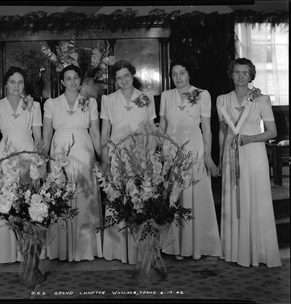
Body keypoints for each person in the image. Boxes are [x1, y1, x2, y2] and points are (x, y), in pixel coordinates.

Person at [217, 58, 281, 268]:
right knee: (234, 200)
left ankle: (257, 251)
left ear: (251, 75)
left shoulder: (261, 99)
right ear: (231, 74)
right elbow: (223, 131)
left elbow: (272, 132)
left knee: (254, 198)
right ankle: (235, 251)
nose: (241, 76)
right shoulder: (222, 100)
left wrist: (250, 139)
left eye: (245, 73)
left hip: (253, 153)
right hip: (230, 154)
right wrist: (221, 157)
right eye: (237, 72)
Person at [159, 59, 222, 261]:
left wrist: (207, 155)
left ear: (189, 75)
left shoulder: (202, 94)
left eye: (182, 73)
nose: (178, 77)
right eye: (174, 74)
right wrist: (161, 150)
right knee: (174, 197)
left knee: (194, 194)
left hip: (194, 148)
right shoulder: (166, 95)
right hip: (171, 150)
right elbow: (162, 125)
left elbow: (207, 128)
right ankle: (177, 246)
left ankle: (197, 245)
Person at [41, 64, 103, 261]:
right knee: (60, 195)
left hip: (84, 152)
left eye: (76, 77)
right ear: (62, 82)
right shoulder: (51, 103)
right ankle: (62, 248)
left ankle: (86, 248)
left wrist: (102, 158)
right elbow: (47, 133)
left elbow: (95, 132)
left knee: (85, 194)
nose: (73, 81)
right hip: (59, 153)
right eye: (68, 78)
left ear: (80, 80)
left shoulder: (90, 102)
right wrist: (42, 160)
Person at [100, 60, 156, 264]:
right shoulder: (107, 99)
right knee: (117, 197)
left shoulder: (146, 98)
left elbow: (151, 128)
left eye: (126, 76)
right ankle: (116, 248)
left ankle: (138, 247)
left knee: (139, 197)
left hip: (139, 155)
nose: (123, 81)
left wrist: (150, 156)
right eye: (118, 77)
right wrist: (105, 160)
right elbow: (105, 132)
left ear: (132, 76)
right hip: (117, 155)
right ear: (114, 80)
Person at [0, 66, 42, 264]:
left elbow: (38, 135)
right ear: (5, 84)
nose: (16, 86)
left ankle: (29, 250)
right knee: (6, 197)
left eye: (20, 82)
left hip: (27, 154)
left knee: (28, 198)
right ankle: (7, 250)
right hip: (6, 153)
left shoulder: (33, 105)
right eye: (12, 82)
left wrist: (39, 159)